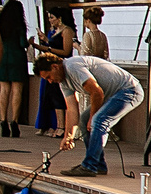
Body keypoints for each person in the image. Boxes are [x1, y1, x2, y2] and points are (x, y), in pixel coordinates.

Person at [36, 48, 143, 179]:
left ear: (55, 67)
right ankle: (98, 165)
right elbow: (71, 109)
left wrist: (92, 117)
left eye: (49, 77)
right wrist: (68, 136)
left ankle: (89, 165)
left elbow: (97, 92)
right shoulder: (63, 82)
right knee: (83, 120)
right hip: (111, 95)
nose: (50, 81)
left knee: (98, 121)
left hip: (129, 90)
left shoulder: (72, 66)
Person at [0, 0, 31, 139]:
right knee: (17, 91)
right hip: (17, 58)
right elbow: (23, 43)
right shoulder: (19, 26)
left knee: (4, 90)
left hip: (3, 57)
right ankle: (14, 122)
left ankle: (3, 122)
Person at [34, 9, 75, 134]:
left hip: (59, 67)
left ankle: (62, 127)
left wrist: (47, 48)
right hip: (49, 66)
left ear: (59, 18)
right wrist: (45, 39)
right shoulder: (54, 31)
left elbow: (66, 51)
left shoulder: (67, 31)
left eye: (52, 17)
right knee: (49, 97)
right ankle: (53, 124)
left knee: (59, 97)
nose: (50, 20)